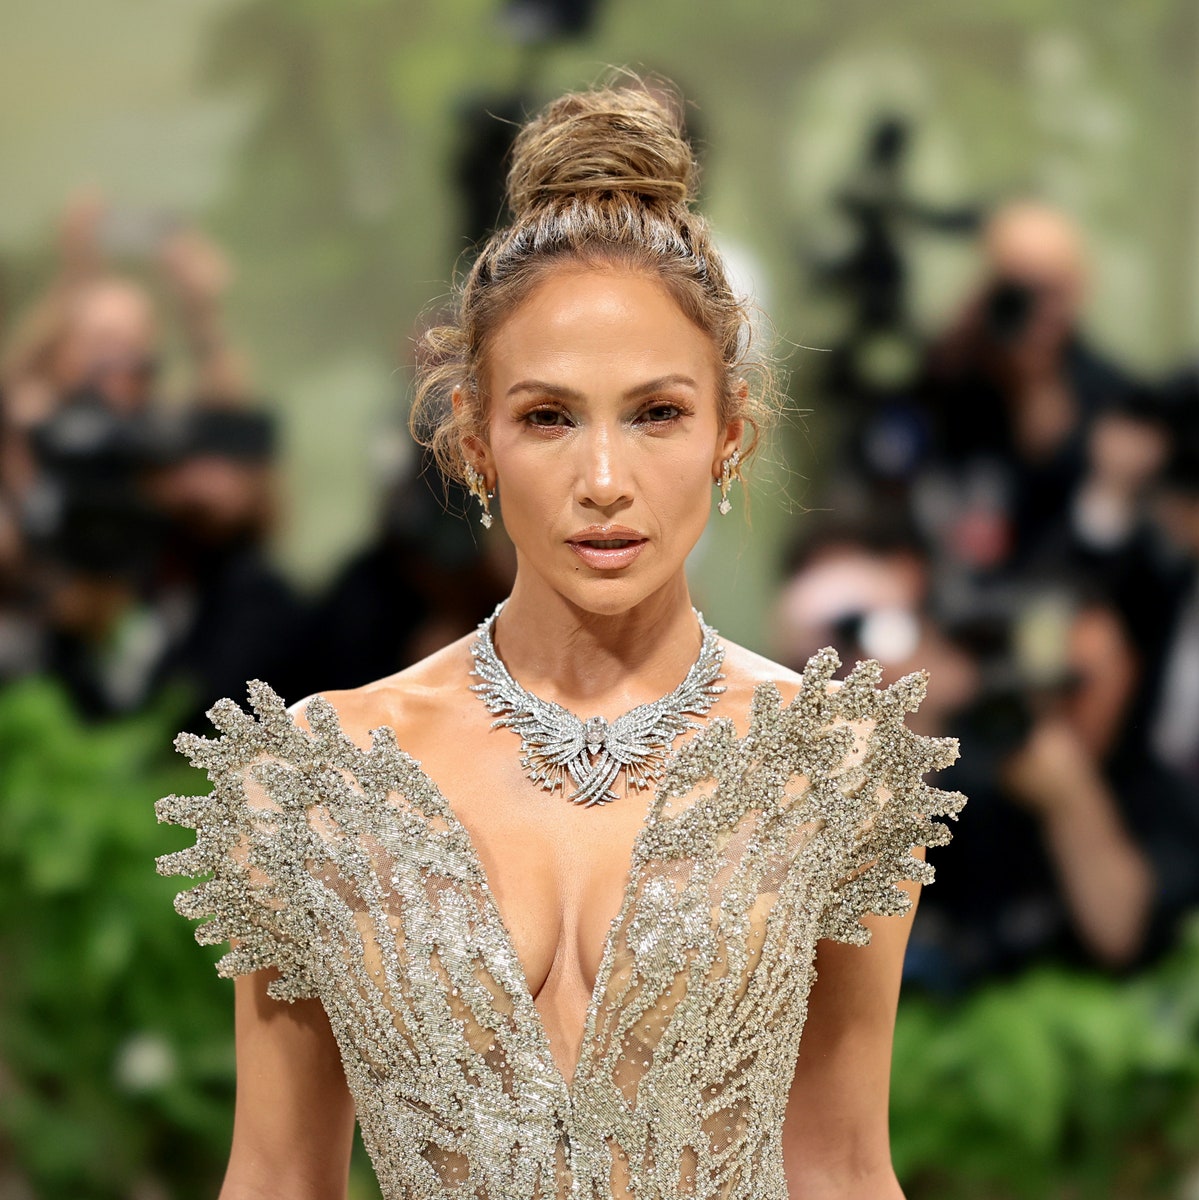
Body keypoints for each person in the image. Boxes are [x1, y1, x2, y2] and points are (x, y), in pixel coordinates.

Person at [156, 82, 965, 1200]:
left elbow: (842, 1167)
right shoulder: (320, 785)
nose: (602, 483)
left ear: (731, 434)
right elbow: (279, 1176)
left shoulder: (829, 772)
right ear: (473, 439)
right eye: (547, 417)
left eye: (657, 414)